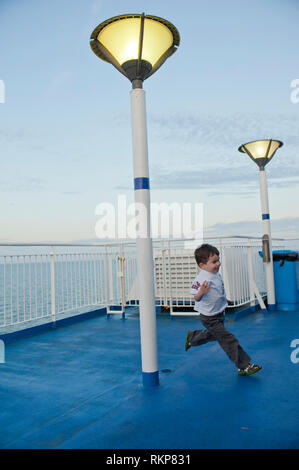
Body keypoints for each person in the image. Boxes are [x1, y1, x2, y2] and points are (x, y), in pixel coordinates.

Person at [185, 243, 261, 376]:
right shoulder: (202, 279)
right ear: (202, 266)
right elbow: (196, 298)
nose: (218, 264)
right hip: (209, 317)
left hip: (219, 313)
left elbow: (218, 291)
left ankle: (192, 338)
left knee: (215, 335)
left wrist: (224, 300)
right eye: (214, 262)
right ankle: (243, 366)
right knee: (228, 339)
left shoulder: (216, 275)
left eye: (218, 260)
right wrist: (201, 291)